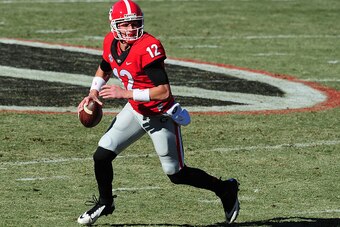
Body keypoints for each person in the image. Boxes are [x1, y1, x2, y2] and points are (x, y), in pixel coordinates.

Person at [77, 0, 240, 225]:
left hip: (159, 114)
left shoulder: (147, 46)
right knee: (102, 155)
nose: (131, 29)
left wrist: (126, 94)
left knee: (176, 174)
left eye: (134, 23)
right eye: (125, 25)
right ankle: (106, 202)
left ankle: (225, 189)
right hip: (135, 111)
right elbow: (105, 67)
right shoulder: (110, 41)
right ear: (114, 26)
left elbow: (163, 92)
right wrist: (93, 91)